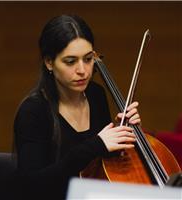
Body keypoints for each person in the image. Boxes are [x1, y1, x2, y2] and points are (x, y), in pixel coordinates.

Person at [12, 14, 141, 200]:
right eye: (71, 61)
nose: (83, 70)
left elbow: (104, 167)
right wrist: (95, 144)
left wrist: (122, 132)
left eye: (88, 59)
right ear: (49, 62)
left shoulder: (96, 94)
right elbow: (32, 185)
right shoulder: (33, 111)